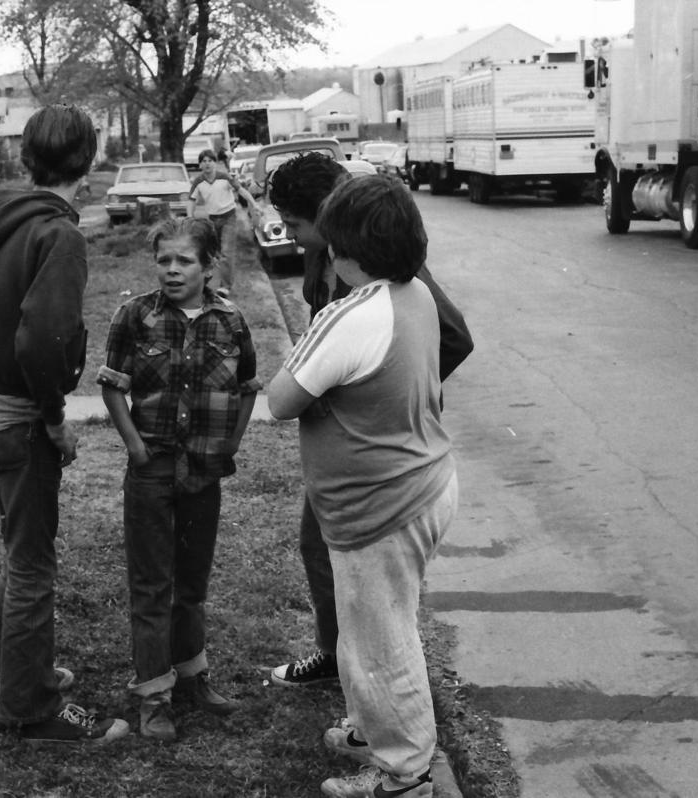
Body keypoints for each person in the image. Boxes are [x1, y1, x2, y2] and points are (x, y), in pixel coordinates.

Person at [0, 104, 128, 744]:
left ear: (26, 158)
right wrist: (53, 418)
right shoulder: (58, 235)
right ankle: (29, 706)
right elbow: (46, 339)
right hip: (17, 418)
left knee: (20, 547)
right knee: (34, 559)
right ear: (90, 160)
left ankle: (18, 668)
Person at [268, 174, 458, 798]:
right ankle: (369, 729)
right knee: (368, 627)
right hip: (425, 484)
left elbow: (280, 400)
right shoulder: (416, 296)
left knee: (384, 641)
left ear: (348, 250)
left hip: (379, 506)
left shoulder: (353, 314)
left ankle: (405, 774)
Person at [97, 215, 260, 742]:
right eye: (163, 260)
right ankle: (154, 696)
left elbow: (249, 385)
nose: (171, 270)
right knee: (151, 586)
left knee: (191, 584)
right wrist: (135, 446)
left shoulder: (231, 322)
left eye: (183, 261)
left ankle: (193, 677)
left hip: (203, 471)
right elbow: (113, 385)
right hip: (152, 471)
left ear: (208, 265)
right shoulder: (135, 316)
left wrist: (230, 444)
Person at [188, 148, 255, 298]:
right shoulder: (199, 182)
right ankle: (208, 280)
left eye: (210, 161)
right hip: (212, 220)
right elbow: (191, 201)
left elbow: (241, 191)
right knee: (213, 253)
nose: (207, 164)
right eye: (204, 161)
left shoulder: (224, 178)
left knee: (226, 253)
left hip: (229, 218)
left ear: (215, 163)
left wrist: (254, 205)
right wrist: (189, 218)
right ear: (200, 165)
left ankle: (225, 287)